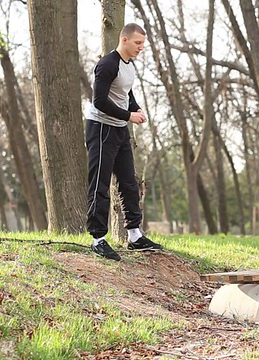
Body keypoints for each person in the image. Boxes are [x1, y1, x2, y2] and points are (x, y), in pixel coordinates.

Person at [86, 23, 162, 261]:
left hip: (119, 130)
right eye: (138, 43)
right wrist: (129, 116)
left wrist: (134, 107)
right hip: (101, 128)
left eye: (143, 44)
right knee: (100, 183)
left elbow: (125, 92)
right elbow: (99, 100)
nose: (141, 48)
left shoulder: (129, 65)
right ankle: (98, 239)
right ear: (125, 40)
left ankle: (135, 235)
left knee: (129, 183)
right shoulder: (107, 64)